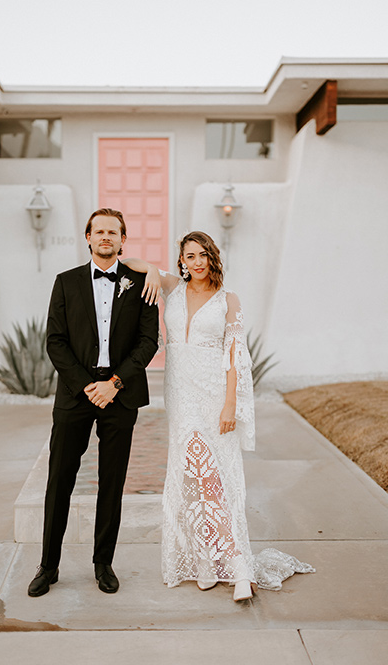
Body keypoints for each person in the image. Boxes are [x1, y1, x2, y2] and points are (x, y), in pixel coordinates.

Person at [125, 231, 314, 600]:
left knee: (217, 477)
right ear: (181, 261)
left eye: (202, 255)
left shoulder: (229, 300)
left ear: (212, 258)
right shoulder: (171, 290)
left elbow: (235, 357)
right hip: (180, 397)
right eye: (189, 256)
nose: (196, 262)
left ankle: (240, 567)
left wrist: (231, 404)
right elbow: (127, 262)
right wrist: (150, 269)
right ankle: (205, 562)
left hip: (214, 396)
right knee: (190, 477)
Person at [28, 208, 159, 598]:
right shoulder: (65, 282)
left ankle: (103, 564)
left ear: (123, 239)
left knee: (112, 482)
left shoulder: (140, 284)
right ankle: (48, 565)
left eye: (113, 232)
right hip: (76, 395)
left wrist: (114, 384)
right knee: (59, 480)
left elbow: (148, 341)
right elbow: (55, 341)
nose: (106, 237)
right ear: (88, 237)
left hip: (121, 395)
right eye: (99, 231)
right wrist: (88, 386)